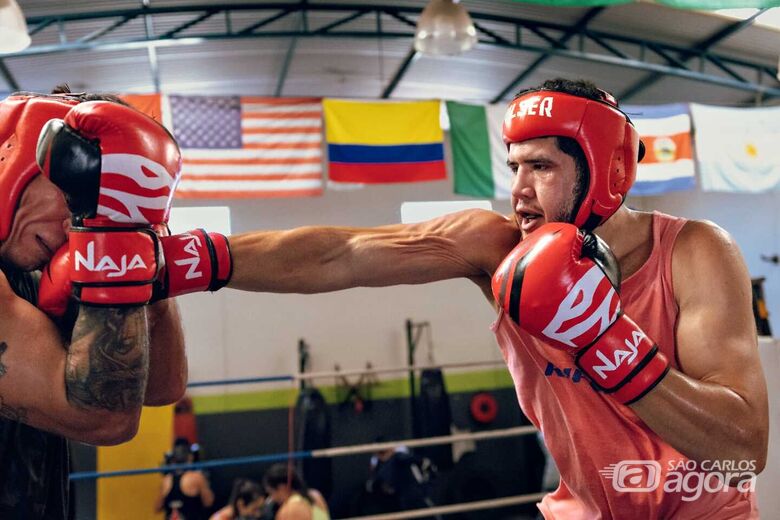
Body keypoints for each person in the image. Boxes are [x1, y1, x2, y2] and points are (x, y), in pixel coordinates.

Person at [163, 78, 768, 518]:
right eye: (512, 166)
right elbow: (342, 252)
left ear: (607, 171)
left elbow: (745, 448)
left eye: (541, 167)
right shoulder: (498, 247)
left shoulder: (695, 253)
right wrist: (189, 260)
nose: (520, 190)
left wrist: (606, 341)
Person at [0, 86, 192, 517]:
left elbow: (163, 387)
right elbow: (105, 418)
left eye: (94, 208)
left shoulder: (35, 275)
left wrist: (139, 235)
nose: (78, 226)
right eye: (77, 197)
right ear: (16, 156)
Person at [155, 438, 215, 520]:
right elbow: (209, 502)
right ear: (190, 457)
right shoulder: (197, 477)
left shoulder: (166, 480)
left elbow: (157, 507)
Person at [262, 463, 330, 520]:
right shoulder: (315, 495)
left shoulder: (289, 510)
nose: (272, 498)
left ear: (282, 488)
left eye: (271, 493)